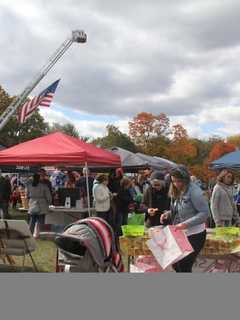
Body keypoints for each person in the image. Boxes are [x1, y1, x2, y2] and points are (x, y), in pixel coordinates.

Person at [160, 165, 210, 273]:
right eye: (173, 181)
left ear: (185, 179)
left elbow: (205, 213)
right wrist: (168, 214)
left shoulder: (195, 192)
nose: (176, 184)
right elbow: (180, 208)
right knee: (176, 265)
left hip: (195, 235)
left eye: (179, 181)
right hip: (180, 234)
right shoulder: (175, 189)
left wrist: (185, 224)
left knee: (184, 266)